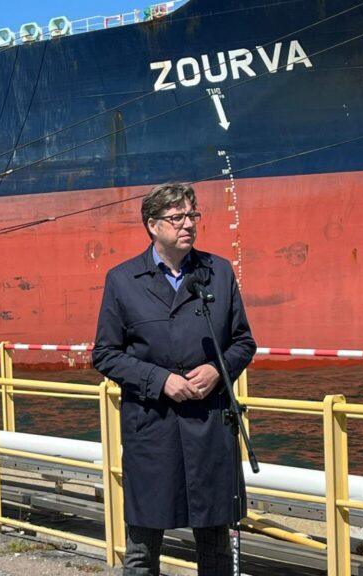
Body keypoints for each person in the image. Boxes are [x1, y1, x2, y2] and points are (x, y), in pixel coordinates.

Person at [92, 182, 256, 576]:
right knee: (142, 551)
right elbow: (105, 354)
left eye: (192, 216)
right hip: (153, 429)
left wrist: (219, 370)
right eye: (177, 217)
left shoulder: (218, 272)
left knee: (216, 546)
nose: (188, 225)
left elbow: (243, 342)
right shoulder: (123, 280)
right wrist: (159, 380)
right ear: (152, 225)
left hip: (210, 428)